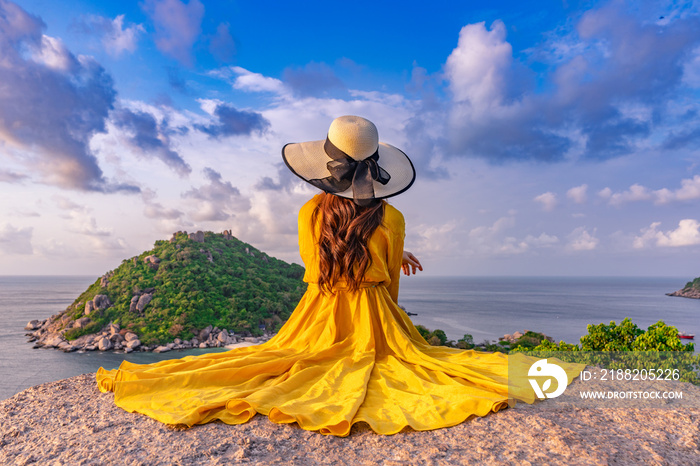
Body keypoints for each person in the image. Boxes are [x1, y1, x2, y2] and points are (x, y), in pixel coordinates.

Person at [97, 115, 582, 437]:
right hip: (372, 318)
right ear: (374, 165)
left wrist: (363, 257)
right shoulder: (390, 220)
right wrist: (387, 268)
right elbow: (389, 283)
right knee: (412, 367)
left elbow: (315, 265)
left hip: (316, 313)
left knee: (280, 363)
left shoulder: (310, 210)